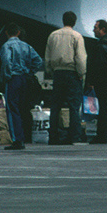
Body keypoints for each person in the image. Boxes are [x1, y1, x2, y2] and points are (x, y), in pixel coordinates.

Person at [45, 11, 87, 145]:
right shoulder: (77, 36)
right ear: (74, 22)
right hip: (71, 73)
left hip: (58, 72)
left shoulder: (53, 35)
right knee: (74, 106)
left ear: (63, 20)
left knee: (55, 106)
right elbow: (80, 58)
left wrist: (51, 71)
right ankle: (74, 136)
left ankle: (53, 136)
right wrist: (81, 73)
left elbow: (47, 57)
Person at [0, 23, 43, 150]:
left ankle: (17, 139)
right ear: (18, 32)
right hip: (25, 78)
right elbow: (38, 61)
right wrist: (29, 72)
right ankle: (26, 135)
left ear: (7, 33)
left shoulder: (7, 46)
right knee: (23, 107)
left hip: (13, 78)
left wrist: (7, 76)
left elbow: (7, 61)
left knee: (12, 108)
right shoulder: (26, 46)